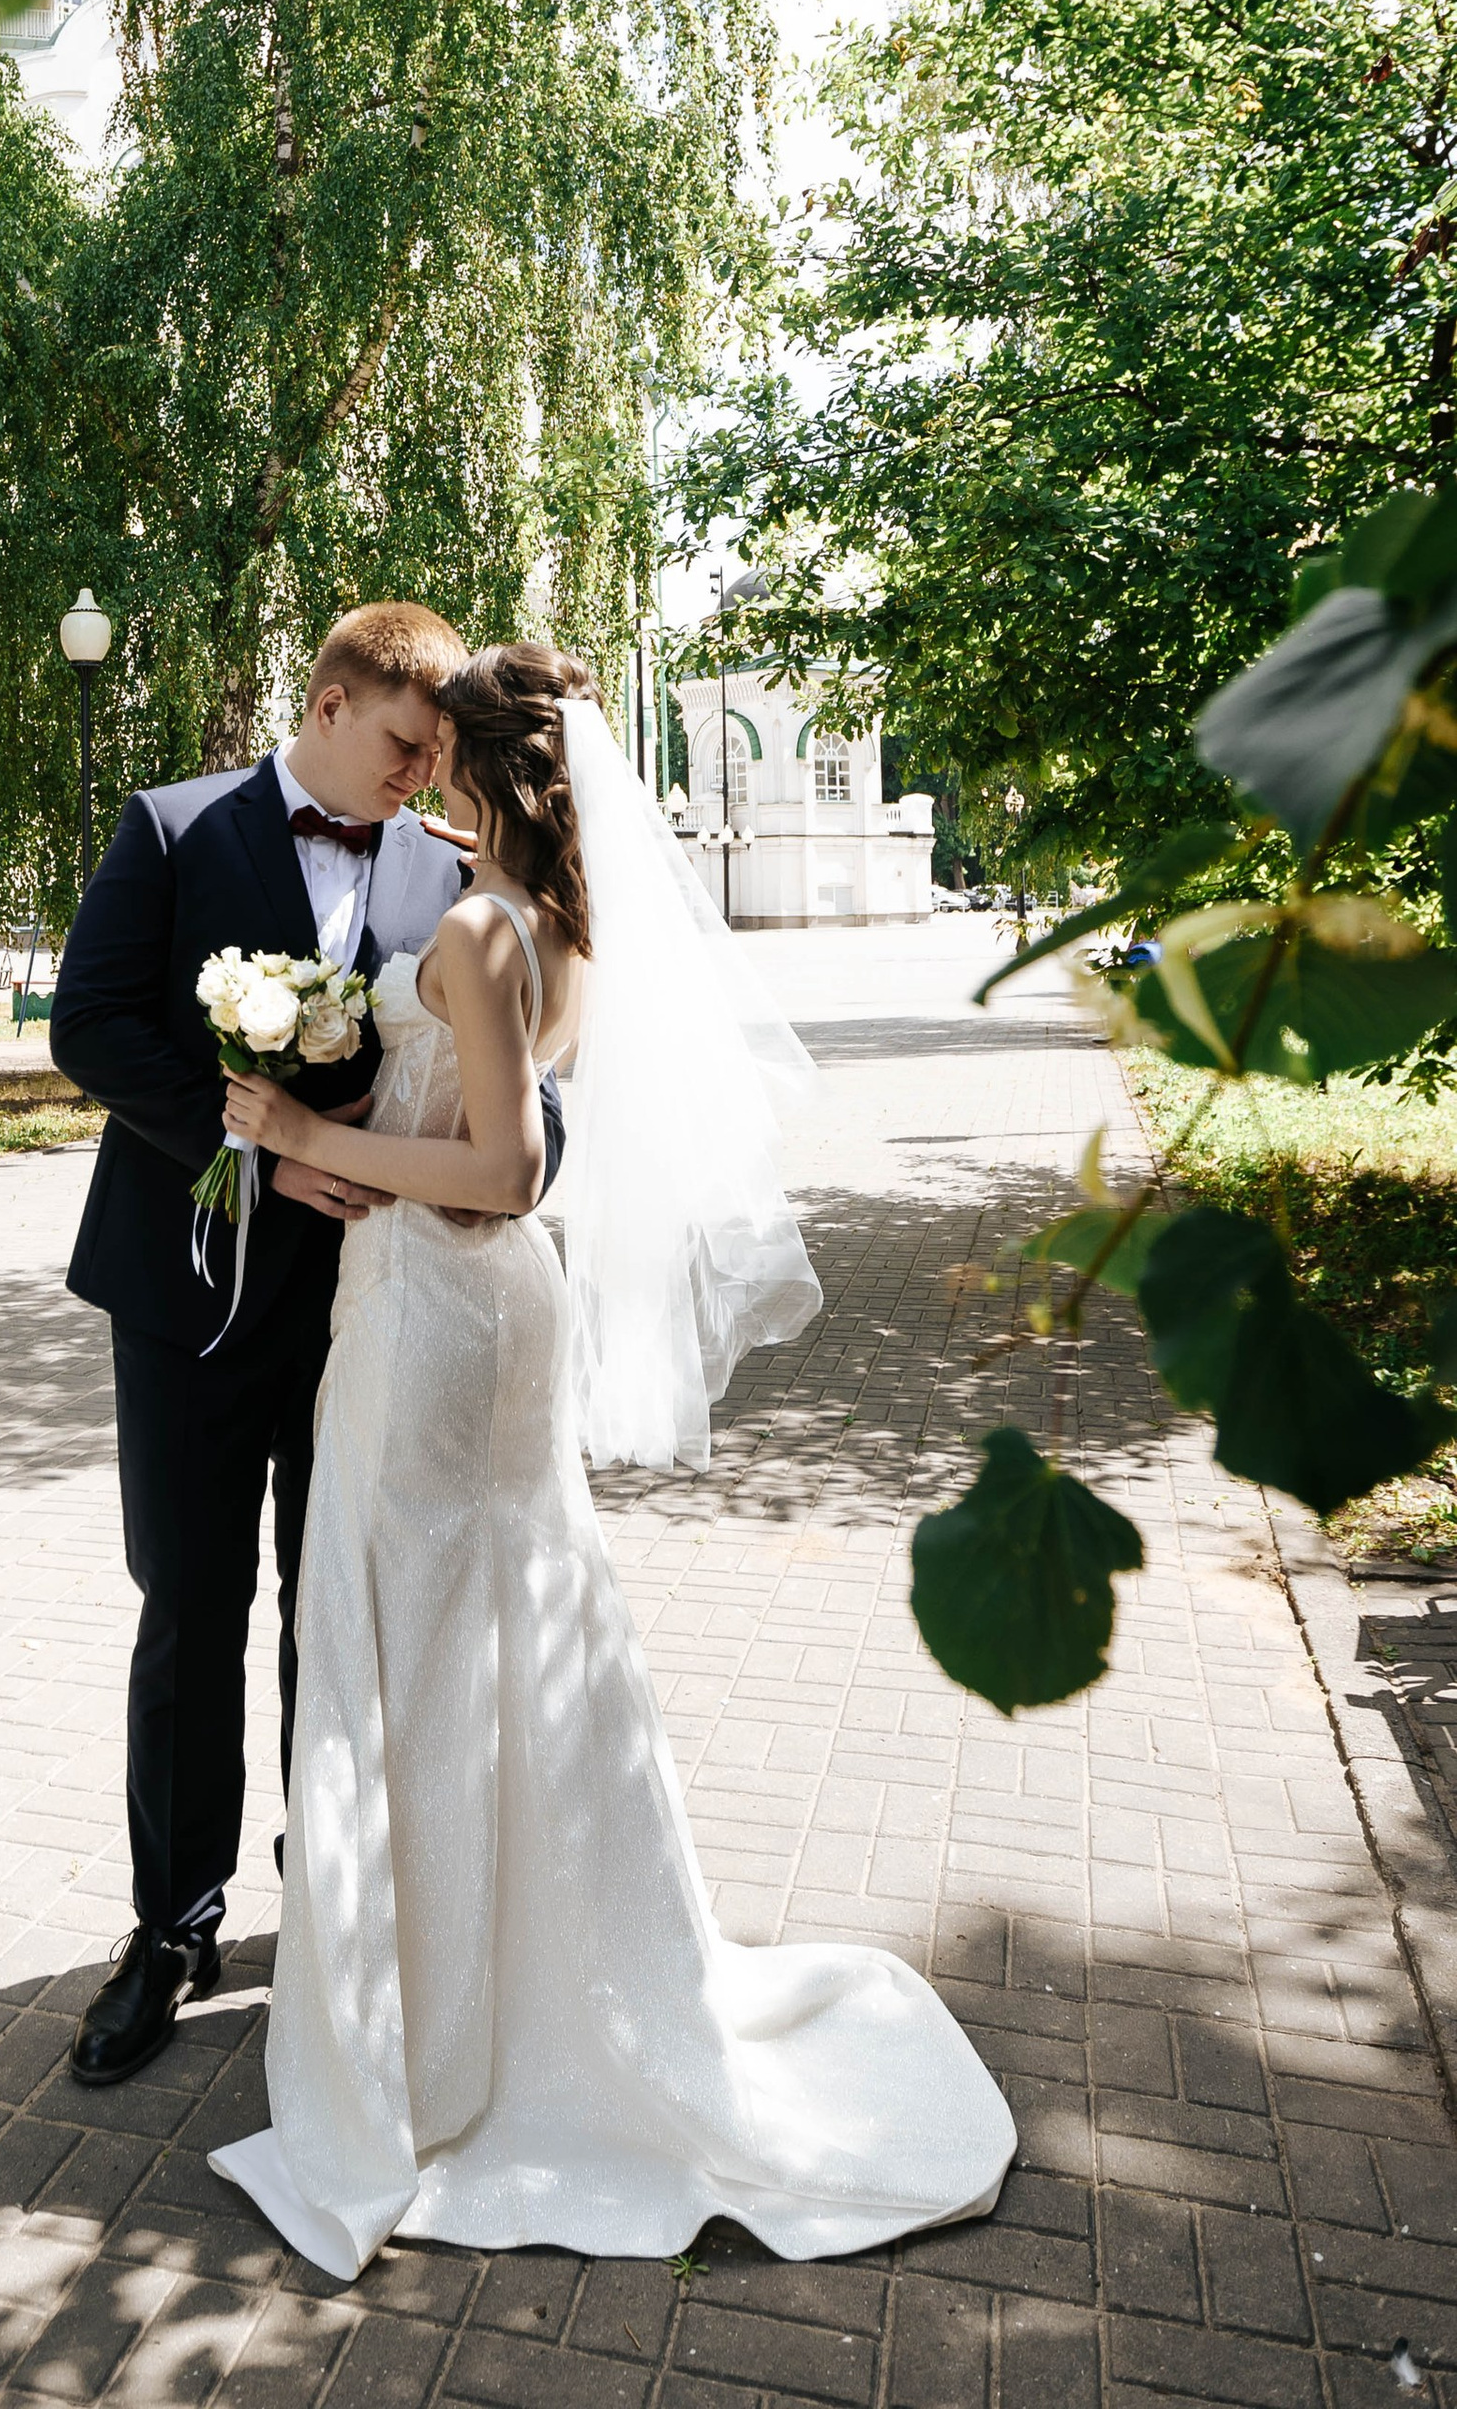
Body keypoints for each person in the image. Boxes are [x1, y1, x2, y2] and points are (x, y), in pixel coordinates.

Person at [204, 641, 1016, 2276]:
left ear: (494, 775)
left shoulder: (484, 931)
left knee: (412, 1642)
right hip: (500, 1325)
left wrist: (290, 1129)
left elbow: (492, 1171)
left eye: (444, 761)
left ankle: (434, 2048)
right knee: (504, 1622)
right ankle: (521, 1984)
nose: (420, 783)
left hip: (437, 1310)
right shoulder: (555, 922)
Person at [51, 601, 564, 2089]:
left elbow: (512, 1080)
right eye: (407, 742)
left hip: (377, 1310)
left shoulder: (454, 874)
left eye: (439, 754)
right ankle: (171, 1925)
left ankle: (333, 1905)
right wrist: (258, 1149)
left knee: (345, 1611)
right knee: (190, 1611)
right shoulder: (169, 828)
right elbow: (93, 1027)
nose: (421, 774)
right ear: (332, 703)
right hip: (189, 1301)